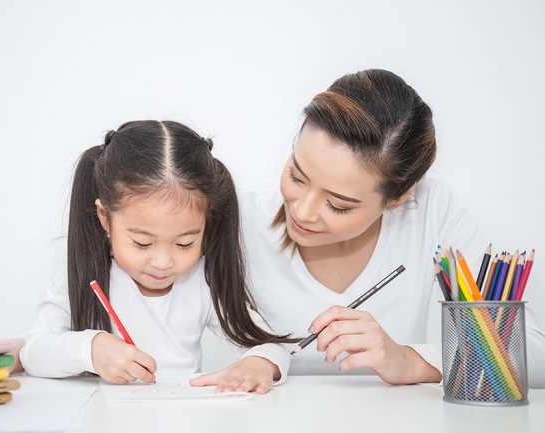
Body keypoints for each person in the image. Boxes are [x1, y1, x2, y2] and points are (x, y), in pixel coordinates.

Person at [230, 69, 545, 387]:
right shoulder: (240, 217)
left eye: (339, 205)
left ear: (399, 197)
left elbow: (536, 355)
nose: (302, 211)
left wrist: (410, 361)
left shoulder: (430, 212)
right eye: (297, 176)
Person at [20, 120, 293, 394]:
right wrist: (91, 348)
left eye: (185, 243)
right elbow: (33, 351)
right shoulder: (81, 269)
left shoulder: (202, 279)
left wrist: (258, 364)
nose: (163, 262)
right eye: (142, 243)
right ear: (105, 217)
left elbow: (267, 344)